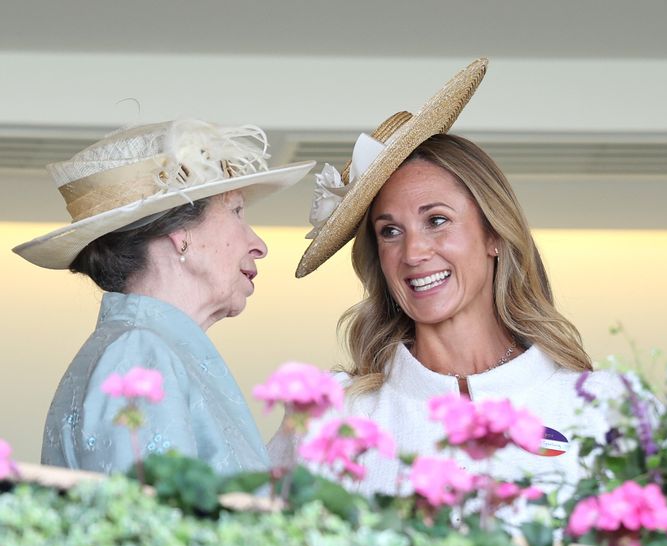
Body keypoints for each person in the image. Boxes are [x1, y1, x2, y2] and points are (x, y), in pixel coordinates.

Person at [291, 58, 620, 497]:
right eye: (390, 232)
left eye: (437, 220)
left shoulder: (600, 406)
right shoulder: (334, 415)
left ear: (494, 235)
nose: (413, 253)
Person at [15, 120, 313, 475]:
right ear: (179, 231)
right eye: (236, 212)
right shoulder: (139, 353)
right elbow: (157, 523)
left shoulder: (145, 347)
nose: (259, 245)